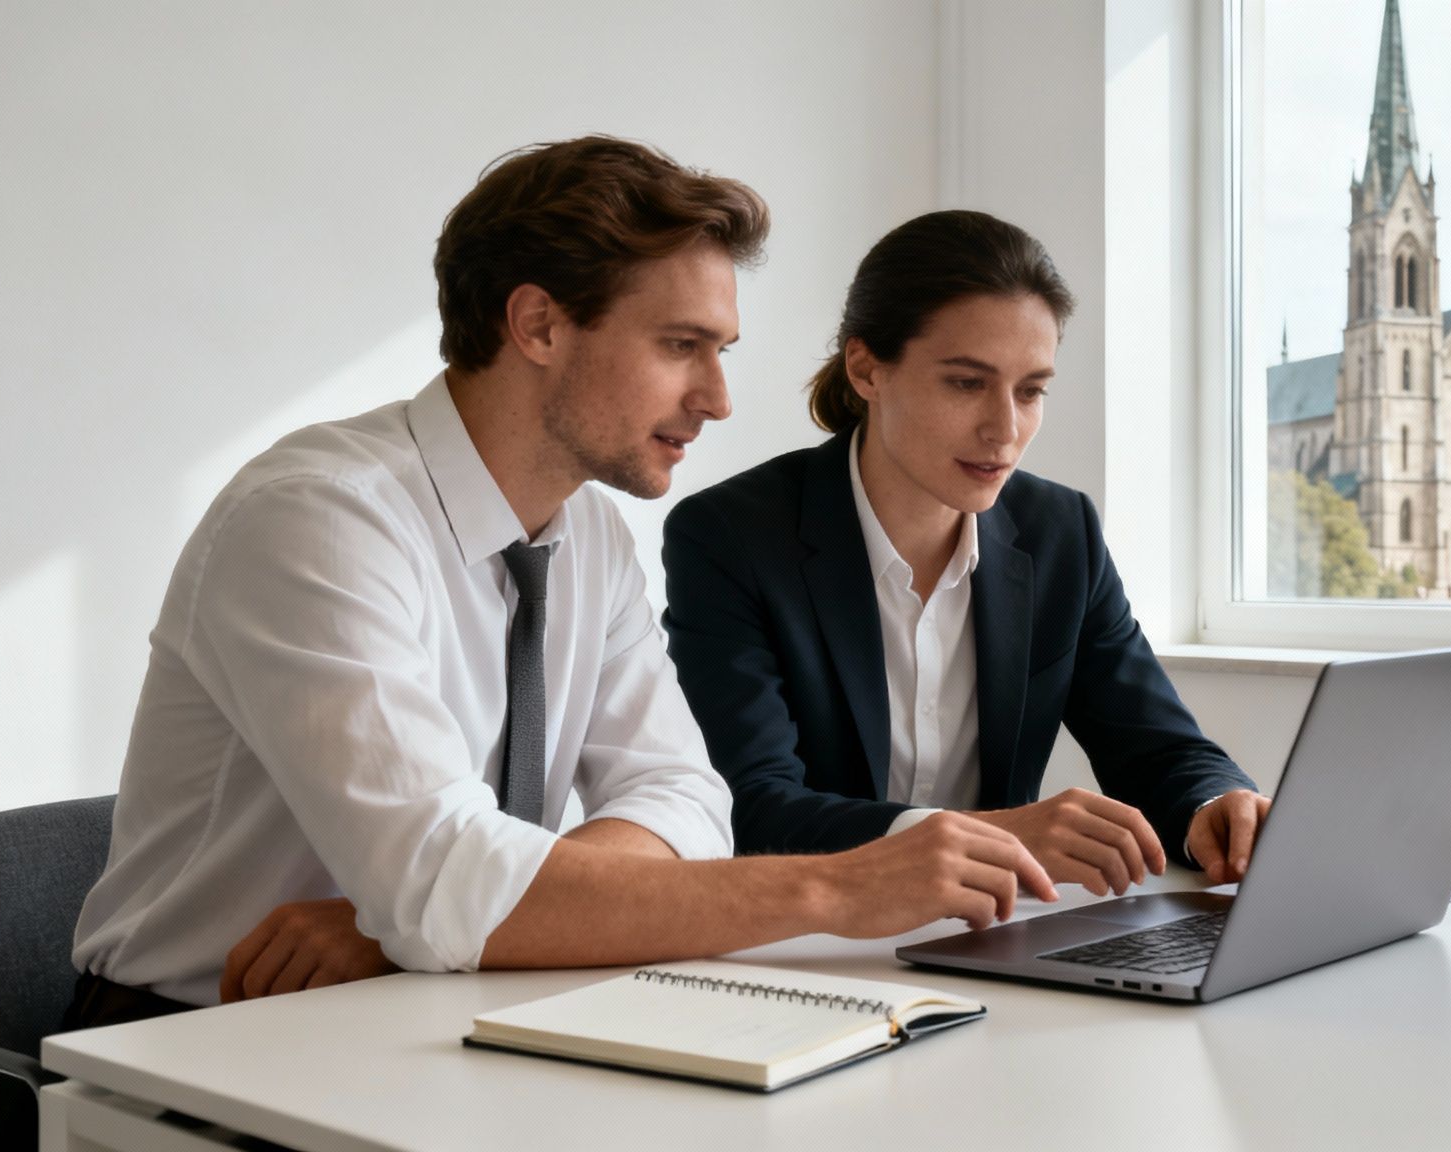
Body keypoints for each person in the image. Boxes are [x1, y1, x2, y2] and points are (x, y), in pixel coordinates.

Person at [67, 139, 1055, 1028]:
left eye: (720, 352)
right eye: (680, 346)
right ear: (537, 324)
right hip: (190, 1041)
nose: (715, 398)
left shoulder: (587, 536)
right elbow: (447, 883)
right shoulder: (317, 520)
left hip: (424, 1003)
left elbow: (686, 803)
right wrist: (836, 892)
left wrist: (428, 914)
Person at [661, 210, 1269, 899]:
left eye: (1031, 391)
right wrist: (997, 835)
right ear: (866, 370)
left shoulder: (1059, 530)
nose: (1004, 430)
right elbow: (754, 806)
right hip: (815, 940)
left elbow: (1159, 749)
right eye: (966, 383)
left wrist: (1215, 807)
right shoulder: (730, 535)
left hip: (997, 932)